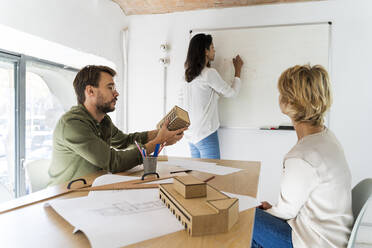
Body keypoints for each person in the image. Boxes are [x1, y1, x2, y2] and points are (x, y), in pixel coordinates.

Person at [251, 65, 353, 248]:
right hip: (330, 236)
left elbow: (286, 212)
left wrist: (271, 212)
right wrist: (272, 211)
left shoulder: (301, 157)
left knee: (242, 215)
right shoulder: (327, 138)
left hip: (313, 242)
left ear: (289, 102)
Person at [48, 65, 186, 186]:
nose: (116, 93)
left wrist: (160, 133)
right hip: (66, 194)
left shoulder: (104, 120)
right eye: (110, 87)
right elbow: (114, 162)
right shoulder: (72, 124)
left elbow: (125, 141)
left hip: (92, 187)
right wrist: (158, 141)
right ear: (90, 91)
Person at [179, 33, 243, 159]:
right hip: (205, 135)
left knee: (198, 177)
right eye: (212, 47)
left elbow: (181, 104)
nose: (214, 50)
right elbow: (232, 93)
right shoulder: (208, 74)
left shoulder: (185, 77)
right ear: (205, 51)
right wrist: (238, 71)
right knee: (212, 177)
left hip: (191, 136)